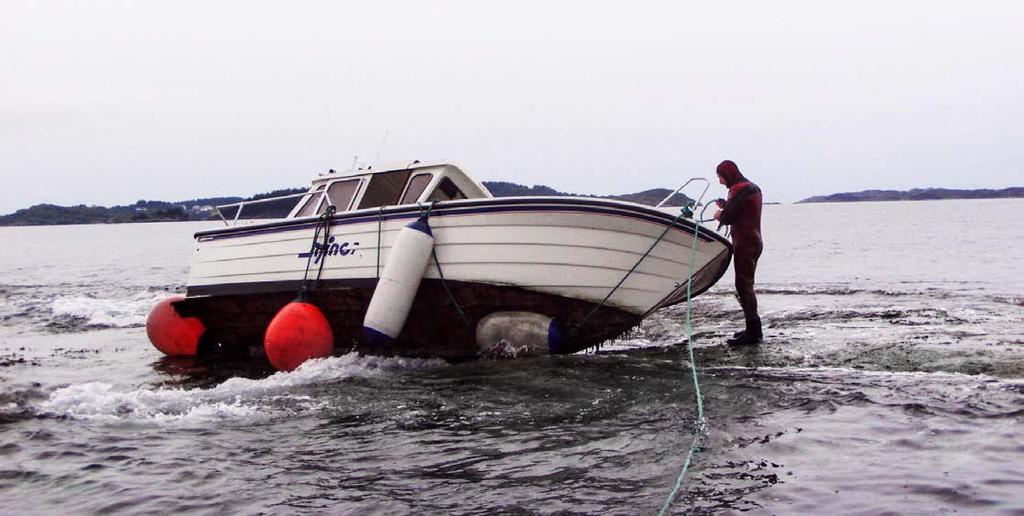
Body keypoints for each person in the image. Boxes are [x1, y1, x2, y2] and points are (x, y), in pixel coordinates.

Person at [713, 160, 764, 345]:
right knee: (745, 285)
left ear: (728, 174)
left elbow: (727, 218)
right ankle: (753, 328)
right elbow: (741, 210)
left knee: (744, 286)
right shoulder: (751, 187)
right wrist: (727, 204)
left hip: (745, 244)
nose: (720, 181)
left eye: (720, 177)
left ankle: (753, 332)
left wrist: (718, 213)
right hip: (753, 242)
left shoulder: (739, 189)